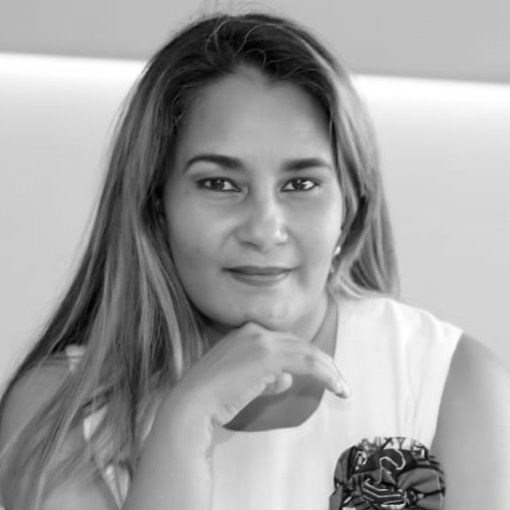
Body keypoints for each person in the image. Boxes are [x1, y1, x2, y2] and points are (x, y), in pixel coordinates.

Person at [0, 10, 509, 510]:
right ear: (156, 205)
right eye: (219, 183)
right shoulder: (56, 413)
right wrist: (183, 425)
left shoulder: (455, 384)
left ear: (351, 208)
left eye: (301, 184)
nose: (265, 230)